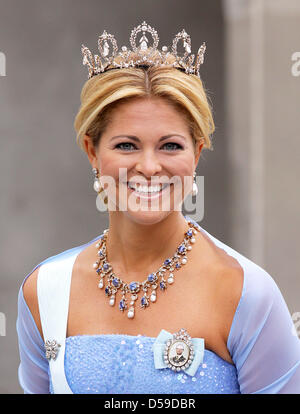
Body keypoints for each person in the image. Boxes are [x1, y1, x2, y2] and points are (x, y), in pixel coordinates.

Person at [16, 21, 300, 394]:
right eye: (126, 145)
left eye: (170, 146)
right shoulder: (45, 292)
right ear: (92, 151)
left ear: (196, 153)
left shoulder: (246, 293)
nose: (149, 167)